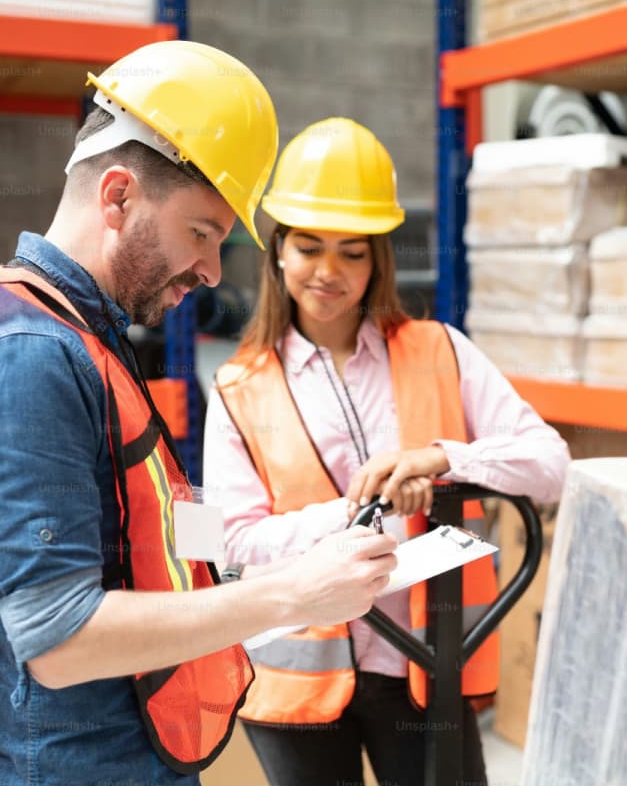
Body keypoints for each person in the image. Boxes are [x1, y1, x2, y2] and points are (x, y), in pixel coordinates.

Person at [0, 46, 399, 786]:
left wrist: (264, 544)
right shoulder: (33, 353)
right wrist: (297, 591)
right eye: (202, 233)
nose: (213, 272)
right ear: (117, 195)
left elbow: (144, 521)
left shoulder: (91, 337)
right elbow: (55, 635)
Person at [203, 117, 571, 786]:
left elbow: (548, 465)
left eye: (352, 250)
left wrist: (442, 460)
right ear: (278, 251)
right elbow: (230, 540)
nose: (328, 271)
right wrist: (357, 512)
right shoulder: (236, 387)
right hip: (296, 684)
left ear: (377, 259)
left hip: (422, 666)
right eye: (309, 247)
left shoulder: (439, 349)